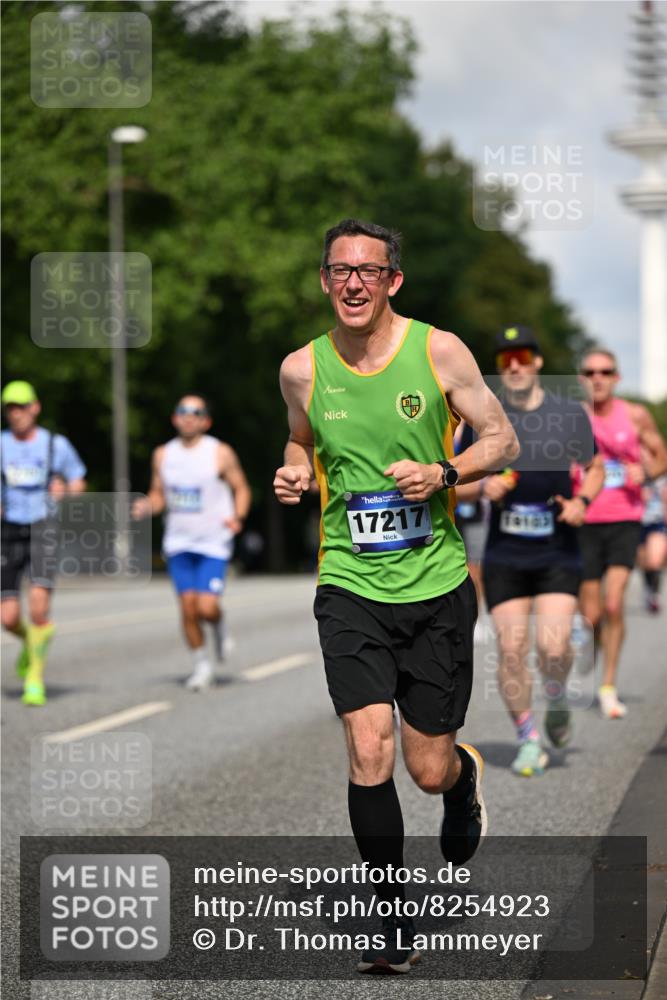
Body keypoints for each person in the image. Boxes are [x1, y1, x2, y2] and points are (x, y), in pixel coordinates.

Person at [273, 218, 519, 974]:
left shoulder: (437, 350)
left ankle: (462, 778)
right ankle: (392, 924)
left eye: (368, 271)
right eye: (339, 270)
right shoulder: (300, 370)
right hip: (348, 582)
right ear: (324, 280)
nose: (353, 282)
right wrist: (292, 470)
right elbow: (300, 441)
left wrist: (444, 473)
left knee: (425, 767)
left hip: (436, 584)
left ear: (392, 282)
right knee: (367, 748)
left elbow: (501, 440)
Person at [456, 326, 604, 777]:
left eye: (522, 356)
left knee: (553, 645)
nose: (514, 366)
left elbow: (594, 469)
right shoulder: (482, 419)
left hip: (557, 551)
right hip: (506, 555)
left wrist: (582, 502)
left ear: (537, 361)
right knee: (512, 648)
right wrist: (483, 486)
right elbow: (452, 483)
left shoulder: (567, 414)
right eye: (505, 360)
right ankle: (528, 737)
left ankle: (557, 698)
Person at [132, 395, 251, 691]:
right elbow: (158, 493)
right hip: (178, 542)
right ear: (175, 418)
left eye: (195, 412)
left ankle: (219, 628)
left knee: (206, 608)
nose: (188, 416)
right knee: (187, 608)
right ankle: (201, 665)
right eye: (182, 411)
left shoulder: (220, 452)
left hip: (213, 541)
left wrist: (238, 516)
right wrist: (148, 506)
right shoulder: (163, 454)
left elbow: (242, 488)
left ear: (205, 421)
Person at [577, 348, 667, 718]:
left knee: (614, 603)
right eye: (591, 371)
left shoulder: (635, 414)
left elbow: (661, 455)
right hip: (584, 521)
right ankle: (594, 659)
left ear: (616, 377)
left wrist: (645, 474)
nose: (598, 377)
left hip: (625, 519)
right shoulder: (572, 417)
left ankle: (608, 685)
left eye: (605, 371)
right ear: (582, 377)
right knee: (592, 614)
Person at [1, 380, 86, 706]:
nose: (16, 414)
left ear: (35, 407)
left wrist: (66, 490)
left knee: (38, 608)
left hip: (42, 528)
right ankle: (28, 643)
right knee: (7, 618)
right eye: (10, 408)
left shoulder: (56, 445)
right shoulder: (2, 443)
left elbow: (78, 480)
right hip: (7, 531)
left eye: (21, 406)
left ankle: (34, 678)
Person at [639, 475, 667, 614]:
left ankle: (654, 595)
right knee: (644, 562)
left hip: (657, 521)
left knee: (654, 561)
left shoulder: (663, 477)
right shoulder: (634, 471)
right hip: (635, 521)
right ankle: (648, 588)